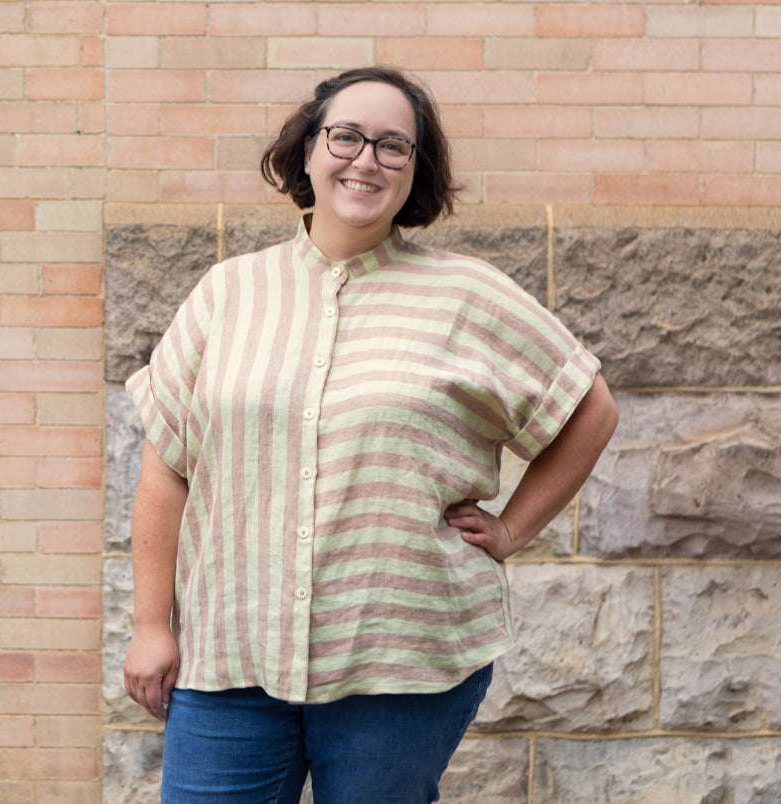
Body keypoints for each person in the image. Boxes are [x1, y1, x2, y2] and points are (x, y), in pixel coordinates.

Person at [122, 66, 618, 803]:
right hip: (230, 658)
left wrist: (513, 529)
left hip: (402, 665)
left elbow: (590, 408)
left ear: (416, 174)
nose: (366, 159)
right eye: (346, 136)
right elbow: (167, 468)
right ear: (308, 152)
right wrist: (148, 625)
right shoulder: (227, 293)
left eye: (394, 146)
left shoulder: (467, 294)